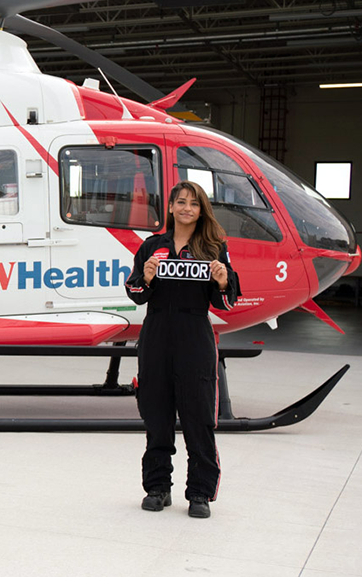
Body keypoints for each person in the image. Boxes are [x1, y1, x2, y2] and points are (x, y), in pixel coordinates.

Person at [124, 180, 239, 519]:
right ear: (170, 207)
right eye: (181, 202)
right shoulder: (152, 247)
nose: (187, 208)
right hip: (157, 335)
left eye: (194, 203)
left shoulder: (213, 248)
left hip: (195, 336)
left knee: (198, 417)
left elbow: (227, 300)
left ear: (201, 210)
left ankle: (200, 492)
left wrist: (221, 280)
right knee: (156, 415)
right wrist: (144, 278)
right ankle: (158, 488)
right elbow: (135, 293)